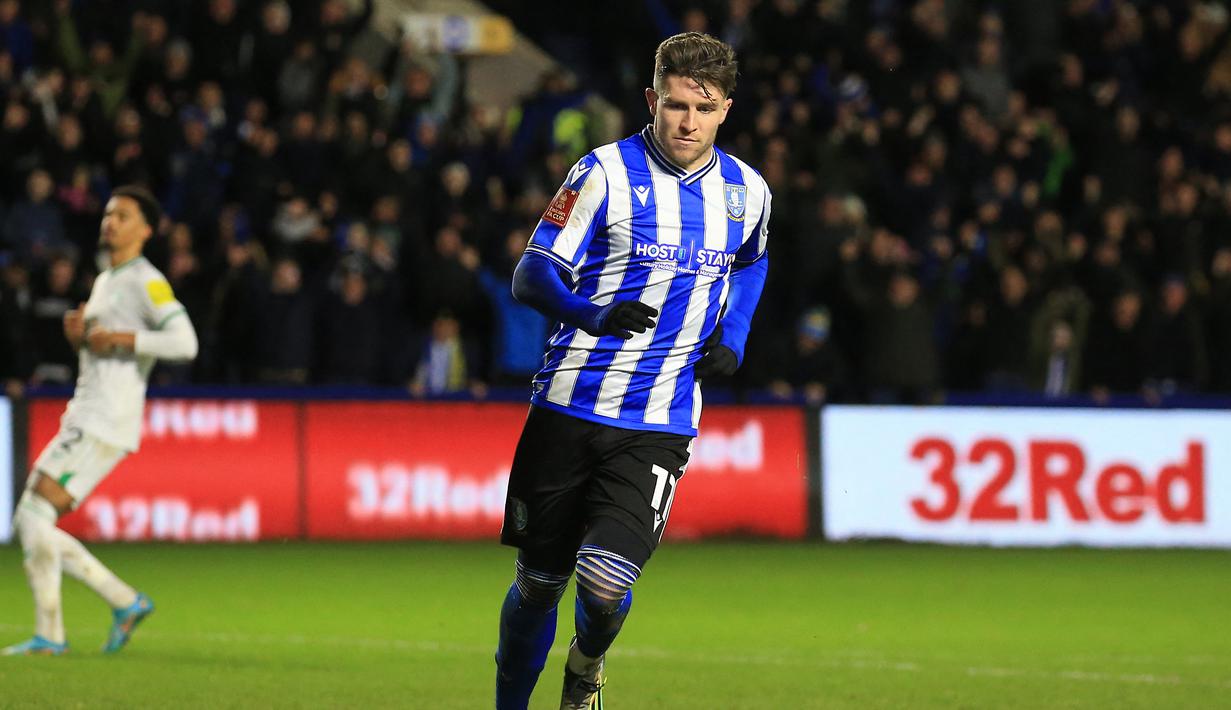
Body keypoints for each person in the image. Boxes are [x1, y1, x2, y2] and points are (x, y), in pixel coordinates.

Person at [493, 32, 770, 710]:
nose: (686, 122)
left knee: (605, 580)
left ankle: (584, 669)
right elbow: (531, 274)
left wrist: (732, 335)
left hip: (658, 418)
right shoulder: (603, 174)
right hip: (566, 406)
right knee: (538, 584)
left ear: (724, 110)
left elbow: (755, 259)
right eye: (674, 105)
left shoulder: (746, 193)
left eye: (701, 110)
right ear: (651, 98)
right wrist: (586, 313)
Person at [2, 185, 198, 656]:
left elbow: (185, 342)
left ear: (146, 230)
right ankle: (57, 630)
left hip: (105, 419)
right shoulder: (108, 277)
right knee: (35, 516)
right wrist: (81, 340)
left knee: (32, 515)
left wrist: (126, 339)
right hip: (87, 411)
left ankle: (117, 603)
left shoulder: (145, 280)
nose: (110, 222)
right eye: (109, 213)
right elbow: (104, 348)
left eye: (123, 216)